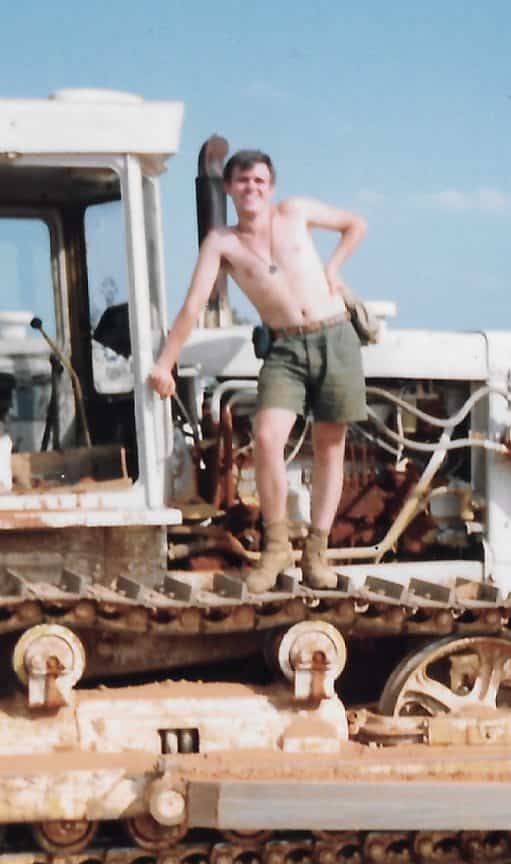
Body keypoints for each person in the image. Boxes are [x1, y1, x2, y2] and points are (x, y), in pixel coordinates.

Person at [146, 149, 367, 590]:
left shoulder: (295, 212)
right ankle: (276, 546)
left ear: (271, 186)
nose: (252, 188)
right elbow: (193, 305)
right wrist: (164, 364)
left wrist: (334, 267)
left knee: (330, 446)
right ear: (229, 188)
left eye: (260, 181)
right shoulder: (222, 242)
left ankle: (317, 555)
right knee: (267, 438)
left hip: (335, 335)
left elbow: (354, 224)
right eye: (243, 181)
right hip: (284, 348)